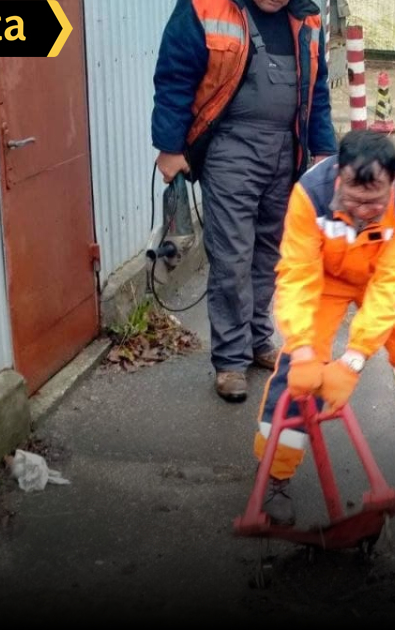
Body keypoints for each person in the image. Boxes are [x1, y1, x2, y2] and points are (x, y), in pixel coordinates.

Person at [252, 130, 395, 526]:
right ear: (338, 177)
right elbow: (297, 273)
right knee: (297, 366)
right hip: (325, 278)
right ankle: (275, 473)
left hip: (383, 278)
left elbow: (392, 285)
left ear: (393, 181)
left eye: (375, 202)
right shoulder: (309, 193)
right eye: (355, 200)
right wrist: (303, 347)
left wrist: (354, 360)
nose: (364, 211)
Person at [151, 0, 336, 403]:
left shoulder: (307, 16)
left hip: (288, 149)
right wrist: (169, 146)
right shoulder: (205, 8)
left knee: (271, 252)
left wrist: (323, 148)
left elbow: (317, 89)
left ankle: (257, 339)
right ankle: (231, 359)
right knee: (233, 255)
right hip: (231, 146)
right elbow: (174, 78)